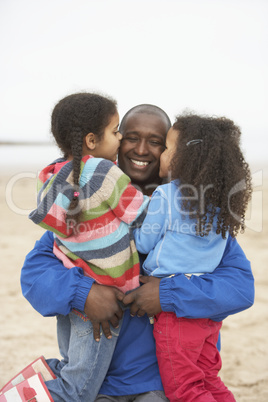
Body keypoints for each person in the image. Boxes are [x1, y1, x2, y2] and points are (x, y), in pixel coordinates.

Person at [18, 105, 254, 402]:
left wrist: (166, 294)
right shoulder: (84, 209)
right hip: (98, 381)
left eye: (157, 142)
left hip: (163, 381)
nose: (142, 150)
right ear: (116, 143)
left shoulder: (197, 215)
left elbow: (240, 288)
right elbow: (34, 274)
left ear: (173, 151)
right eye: (130, 137)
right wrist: (84, 293)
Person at [26, 93, 151, 401]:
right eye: (117, 131)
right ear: (92, 140)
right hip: (99, 305)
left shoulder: (55, 176)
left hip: (75, 308)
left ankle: (39, 383)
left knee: (74, 369)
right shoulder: (104, 172)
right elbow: (142, 213)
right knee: (76, 391)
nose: (120, 139)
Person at [132, 113, 252, 401]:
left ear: (183, 157)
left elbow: (143, 239)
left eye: (167, 147)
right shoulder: (218, 205)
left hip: (176, 318)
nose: (160, 153)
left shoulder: (164, 195)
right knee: (209, 379)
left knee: (185, 389)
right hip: (208, 316)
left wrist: (134, 223)